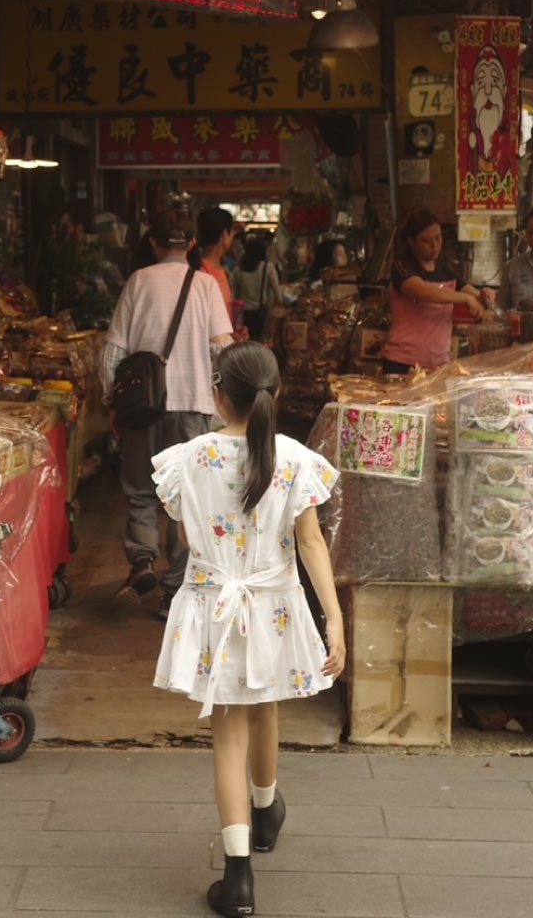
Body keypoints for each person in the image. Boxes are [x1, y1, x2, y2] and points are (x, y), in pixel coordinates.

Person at [150, 341, 345, 917]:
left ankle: (238, 876)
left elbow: (188, 539)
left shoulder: (188, 458)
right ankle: (266, 809)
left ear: (217, 396)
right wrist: (333, 618)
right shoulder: (293, 458)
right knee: (266, 703)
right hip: (276, 604)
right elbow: (310, 542)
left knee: (229, 731)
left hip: (215, 605)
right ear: (275, 394)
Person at [102, 212, 233, 618]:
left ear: (154, 244)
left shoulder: (137, 281)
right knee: (186, 499)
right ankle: (174, 591)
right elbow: (221, 348)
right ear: (191, 244)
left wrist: (113, 400)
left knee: (141, 489)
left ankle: (142, 560)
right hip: (193, 404)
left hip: (143, 406)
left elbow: (113, 352)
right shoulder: (206, 284)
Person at [382, 208, 495, 374]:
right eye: (426, 240)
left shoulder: (445, 270)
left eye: (438, 238)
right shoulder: (402, 267)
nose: (434, 245)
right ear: (411, 241)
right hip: (402, 362)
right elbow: (423, 291)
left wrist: (484, 295)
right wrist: (465, 299)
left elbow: (473, 293)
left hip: (438, 364)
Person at [230, 237, 281, 341]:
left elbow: (234, 295)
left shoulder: (238, 270)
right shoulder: (268, 267)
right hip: (262, 315)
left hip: (243, 315)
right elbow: (278, 294)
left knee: (244, 343)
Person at [196, 206, 237, 319]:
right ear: (224, 234)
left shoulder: (223, 269)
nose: (233, 237)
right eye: (231, 233)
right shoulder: (201, 273)